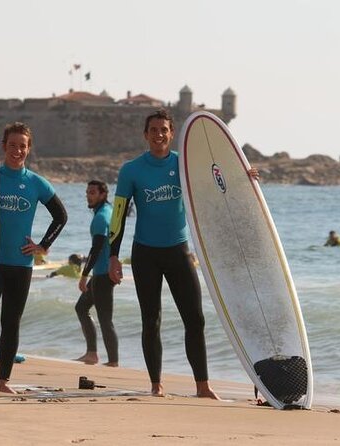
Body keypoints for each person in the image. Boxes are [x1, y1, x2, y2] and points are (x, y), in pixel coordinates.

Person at [108, 109, 259, 398]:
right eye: (153, 130)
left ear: (172, 133)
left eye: (164, 130)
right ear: (145, 134)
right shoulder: (131, 170)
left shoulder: (184, 164)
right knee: (151, 319)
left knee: (195, 319)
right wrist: (112, 256)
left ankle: (202, 385)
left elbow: (216, 184)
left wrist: (243, 177)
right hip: (145, 253)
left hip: (179, 251)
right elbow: (117, 215)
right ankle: (155, 384)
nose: (159, 135)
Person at [0, 107, 68, 395]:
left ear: (28, 149)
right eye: (12, 145)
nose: (17, 150)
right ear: (3, 146)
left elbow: (61, 216)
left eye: (22, 146)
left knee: (11, 324)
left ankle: (3, 382)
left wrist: (43, 246)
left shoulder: (35, 183)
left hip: (20, 264)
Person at [74, 180, 118, 367]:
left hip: (103, 275)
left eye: (92, 192)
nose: (88, 195)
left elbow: (97, 248)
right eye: (87, 192)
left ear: (102, 194)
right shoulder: (107, 212)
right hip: (102, 273)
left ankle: (113, 361)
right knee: (81, 308)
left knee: (105, 318)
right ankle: (92, 354)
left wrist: (84, 275)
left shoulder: (101, 217)